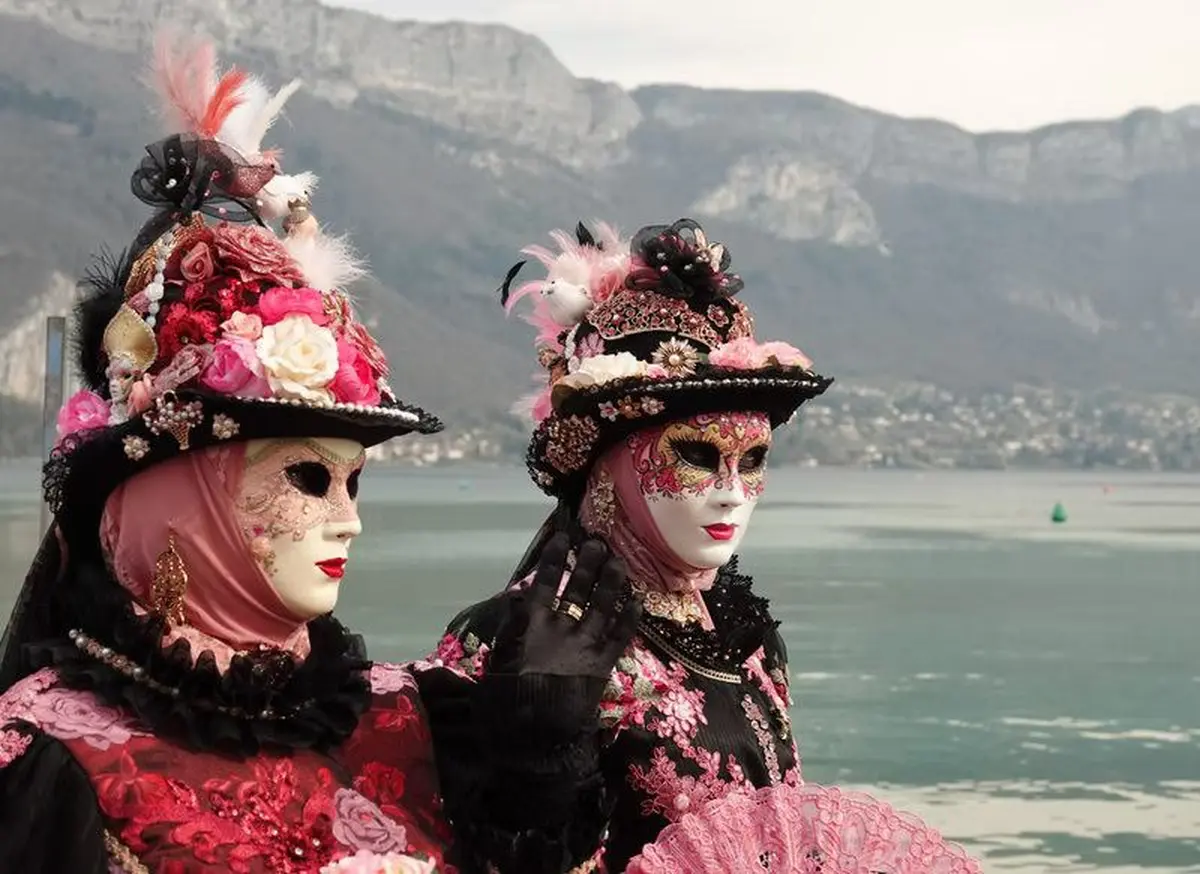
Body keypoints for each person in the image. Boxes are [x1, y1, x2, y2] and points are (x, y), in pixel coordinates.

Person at [0, 38, 637, 874]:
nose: (351, 519)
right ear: (176, 495)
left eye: (353, 479)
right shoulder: (57, 755)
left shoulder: (407, 721)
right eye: (308, 476)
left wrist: (539, 761)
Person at [433, 218, 834, 871]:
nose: (733, 492)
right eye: (698, 456)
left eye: (754, 459)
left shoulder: (749, 642)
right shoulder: (519, 641)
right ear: (607, 469)